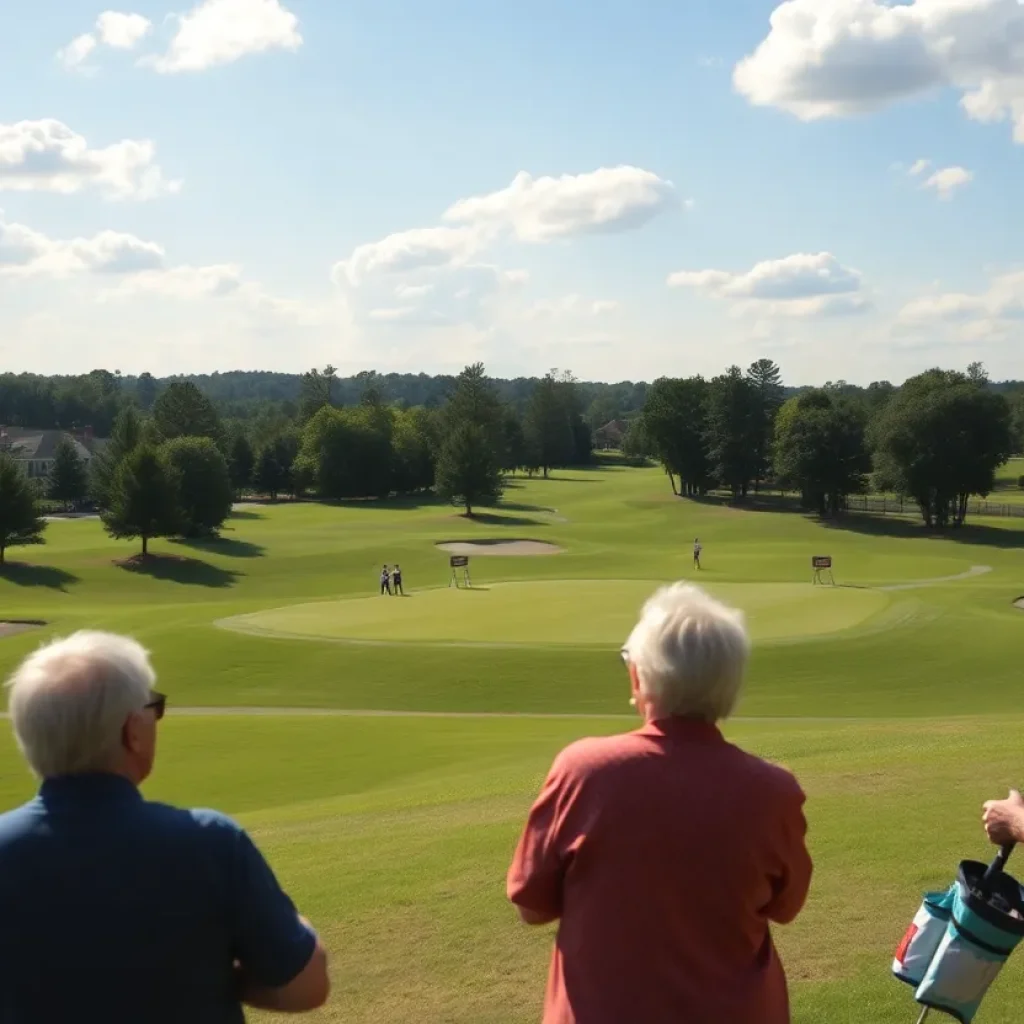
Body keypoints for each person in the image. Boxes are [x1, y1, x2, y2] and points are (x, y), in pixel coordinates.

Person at [506, 582, 812, 1024]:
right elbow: (787, 907)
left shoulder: (584, 771)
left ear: (638, 677)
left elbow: (531, 905)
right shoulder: (773, 791)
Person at [0, 630, 330, 1024]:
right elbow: (307, 984)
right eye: (153, 707)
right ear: (132, 732)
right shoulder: (210, 843)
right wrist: (217, 974)